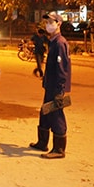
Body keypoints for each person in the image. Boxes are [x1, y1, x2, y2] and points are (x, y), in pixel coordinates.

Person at [29, 11, 71, 159]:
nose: (48, 25)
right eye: (46, 22)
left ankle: (59, 149)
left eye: (51, 22)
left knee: (56, 114)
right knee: (45, 112)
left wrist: (60, 90)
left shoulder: (60, 43)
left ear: (58, 24)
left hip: (56, 87)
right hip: (50, 85)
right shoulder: (52, 41)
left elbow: (62, 69)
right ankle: (42, 142)